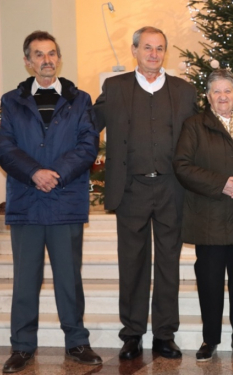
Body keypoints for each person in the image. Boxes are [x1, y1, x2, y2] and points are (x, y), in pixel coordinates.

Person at [0, 31, 101, 373]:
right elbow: (4, 147)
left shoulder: (80, 99)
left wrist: (54, 173)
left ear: (59, 58)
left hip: (64, 200)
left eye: (52, 54)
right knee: (26, 279)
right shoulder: (9, 101)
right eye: (39, 55)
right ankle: (22, 347)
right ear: (27, 61)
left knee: (68, 278)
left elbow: (88, 146)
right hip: (27, 202)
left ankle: (77, 342)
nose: (47, 60)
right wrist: (34, 173)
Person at [93, 26, 197, 360]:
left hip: (171, 188)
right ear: (135, 50)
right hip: (132, 188)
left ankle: (165, 334)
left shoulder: (184, 91)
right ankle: (133, 334)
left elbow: (199, 138)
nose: (154, 54)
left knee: (168, 263)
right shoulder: (115, 87)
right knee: (133, 263)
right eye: (148, 47)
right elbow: (86, 124)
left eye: (160, 48)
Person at [173, 69, 233, 362]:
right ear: (208, 95)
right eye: (217, 91)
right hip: (208, 219)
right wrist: (221, 184)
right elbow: (183, 166)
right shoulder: (193, 126)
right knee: (210, 283)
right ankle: (210, 340)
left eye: (228, 91)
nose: (223, 96)